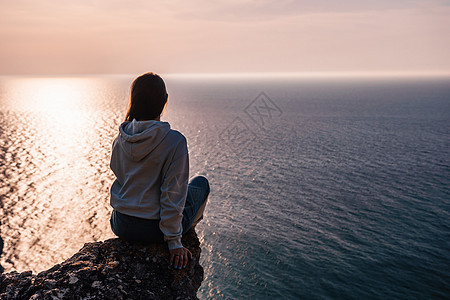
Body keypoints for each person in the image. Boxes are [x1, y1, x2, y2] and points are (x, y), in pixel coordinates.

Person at [109, 72, 210, 270]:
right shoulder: (174, 142)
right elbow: (173, 193)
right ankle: (187, 231)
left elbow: (120, 177)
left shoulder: (120, 139)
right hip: (153, 230)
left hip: (121, 224)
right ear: (165, 101)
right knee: (200, 184)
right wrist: (174, 241)